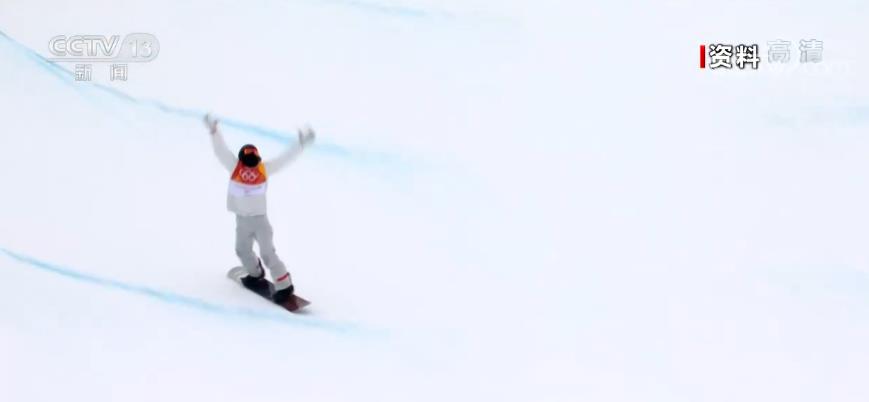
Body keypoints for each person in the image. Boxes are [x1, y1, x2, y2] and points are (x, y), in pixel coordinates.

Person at [204, 114, 315, 304]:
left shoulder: (264, 170)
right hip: (242, 220)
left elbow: (285, 159)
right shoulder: (234, 167)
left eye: (253, 161)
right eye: (248, 161)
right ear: (241, 160)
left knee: (268, 253)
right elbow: (221, 151)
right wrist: (214, 131)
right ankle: (255, 273)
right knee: (242, 249)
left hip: (260, 221)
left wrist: (300, 143)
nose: (250, 167)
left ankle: (284, 285)